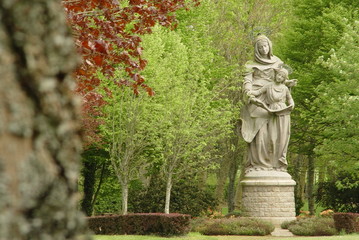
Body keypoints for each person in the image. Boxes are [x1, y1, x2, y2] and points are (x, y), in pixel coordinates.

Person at [240, 35, 295, 172]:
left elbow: (279, 80)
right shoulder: (249, 65)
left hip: (273, 99)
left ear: (269, 46)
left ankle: (274, 164)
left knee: (275, 133)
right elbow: (247, 82)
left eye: (266, 46)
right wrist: (248, 93)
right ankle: (258, 163)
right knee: (260, 133)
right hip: (257, 99)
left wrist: (288, 83)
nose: (264, 49)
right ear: (256, 50)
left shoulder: (277, 62)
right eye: (260, 47)